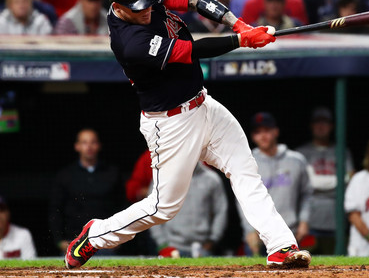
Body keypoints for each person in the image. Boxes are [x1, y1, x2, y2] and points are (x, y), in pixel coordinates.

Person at [63, 0, 312, 269]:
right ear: (117, 8)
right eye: (138, 9)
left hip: (204, 104)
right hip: (171, 123)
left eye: (148, 3)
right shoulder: (132, 43)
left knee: (245, 171)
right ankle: (96, 234)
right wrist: (242, 40)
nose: (147, 11)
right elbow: (193, 51)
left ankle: (280, 246)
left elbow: (195, 0)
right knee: (163, 207)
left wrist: (240, 24)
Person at [244, 112, 312, 256]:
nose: (263, 136)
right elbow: (242, 199)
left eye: (267, 130)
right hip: (259, 234)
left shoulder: (296, 160)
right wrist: (248, 229)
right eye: (257, 132)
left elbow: (306, 194)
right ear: (252, 136)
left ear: (276, 131)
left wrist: (304, 220)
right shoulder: (247, 162)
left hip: (291, 232)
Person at [50, 128, 124, 255]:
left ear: (99, 146)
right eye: (84, 142)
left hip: (105, 242)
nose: (89, 146)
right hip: (73, 242)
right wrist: (58, 240)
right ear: (77, 146)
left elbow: (122, 207)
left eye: (93, 142)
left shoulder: (112, 173)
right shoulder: (65, 175)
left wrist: (121, 238)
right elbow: (55, 210)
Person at [297, 107, 354, 254]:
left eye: (325, 122)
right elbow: (306, 185)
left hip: (337, 221)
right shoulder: (301, 153)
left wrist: (316, 183)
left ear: (332, 126)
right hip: (308, 223)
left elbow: (351, 180)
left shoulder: (342, 151)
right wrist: (338, 181)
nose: (321, 126)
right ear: (311, 126)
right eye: (317, 122)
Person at [150, 162, 228, 257]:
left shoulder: (212, 179)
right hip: (172, 247)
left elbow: (220, 211)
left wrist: (213, 239)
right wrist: (163, 244)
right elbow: (152, 210)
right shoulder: (163, 178)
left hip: (203, 249)